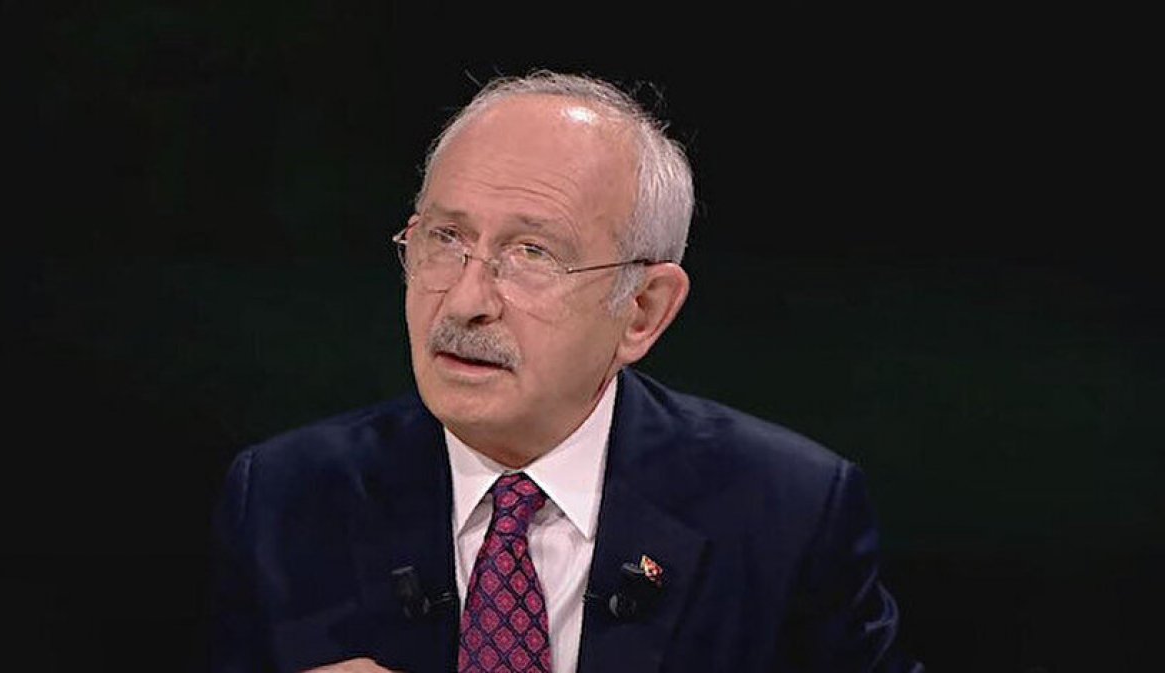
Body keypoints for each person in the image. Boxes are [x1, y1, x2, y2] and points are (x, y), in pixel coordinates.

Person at [209, 70, 923, 673]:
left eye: (532, 254)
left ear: (642, 310)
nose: (464, 301)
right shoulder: (284, 498)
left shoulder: (787, 514)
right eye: (446, 239)